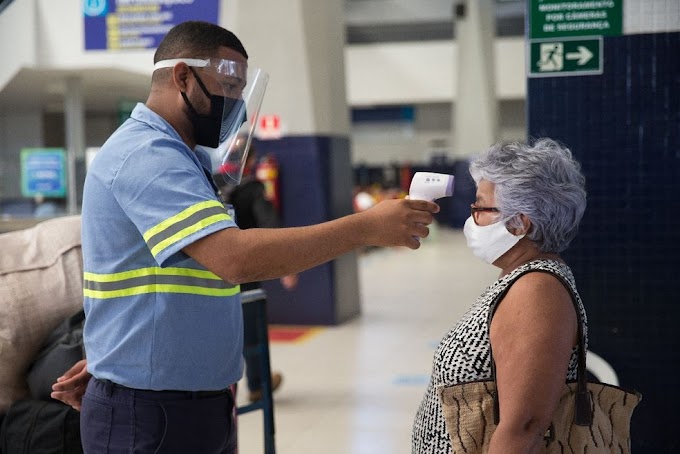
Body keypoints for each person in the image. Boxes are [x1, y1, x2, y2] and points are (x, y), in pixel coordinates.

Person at [50, 20, 438, 454]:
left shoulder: (185, 159)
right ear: (183, 76)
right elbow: (233, 258)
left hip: (189, 401)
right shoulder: (146, 154)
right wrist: (365, 227)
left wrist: (115, 361)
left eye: (240, 90)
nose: (236, 103)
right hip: (152, 414)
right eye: (229, 87)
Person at [411, 138, 587, 454]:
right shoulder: (520, 277)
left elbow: (525, 427)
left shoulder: (537, 292)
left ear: (520, 223)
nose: (472, 217)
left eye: (480, 206)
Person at [218, 140, 296, 403]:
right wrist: (287, 263)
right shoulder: (252, 188)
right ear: (250, 160)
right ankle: (258, 384)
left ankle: (223, 387)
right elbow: (269, 224)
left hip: (213, 271)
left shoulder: (211, 183)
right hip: (246, 269)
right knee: (252, 328)